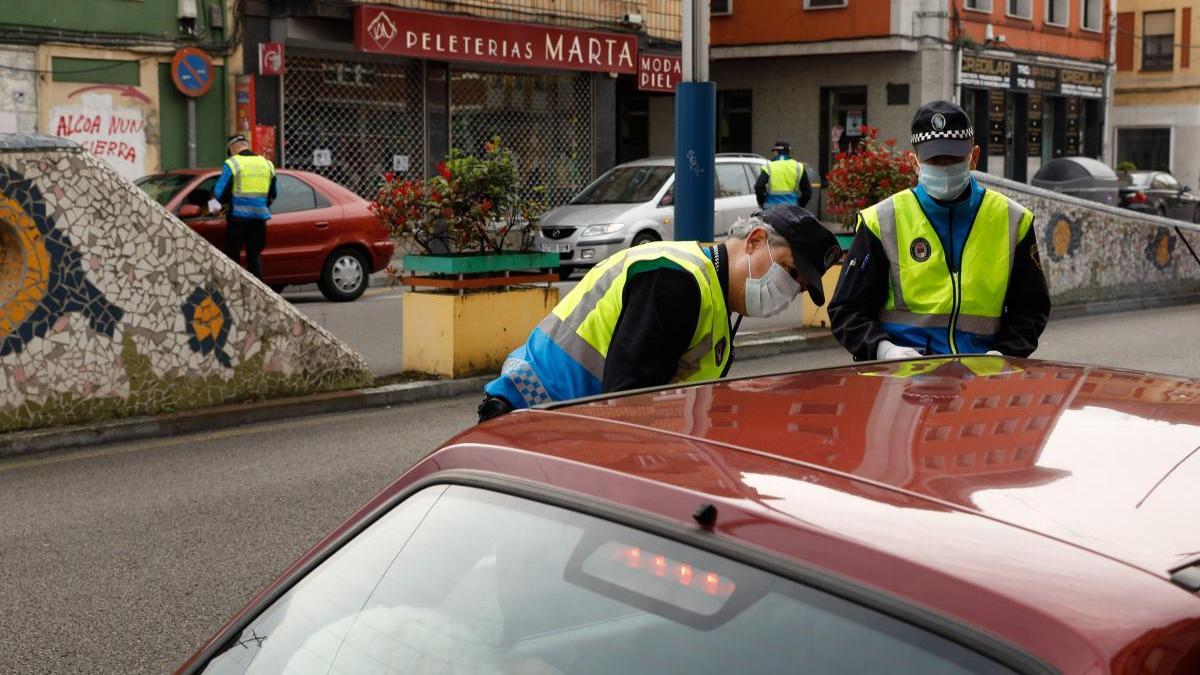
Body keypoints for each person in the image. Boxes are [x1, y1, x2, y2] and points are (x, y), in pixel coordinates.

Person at [478, 205, 842, 422]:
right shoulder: (676, 281)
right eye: (789, 271)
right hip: (532, 422)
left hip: (563, 428)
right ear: (755, 241)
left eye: (799, 286)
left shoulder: (713, 298)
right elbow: (628, 405)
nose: (789, 289)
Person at [828, 100, 1050, 361]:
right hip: (903, 380)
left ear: (974, 158)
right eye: (934, 159)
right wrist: (883, 350)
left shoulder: (1013, 220)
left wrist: (1004, 354)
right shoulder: (881, 221)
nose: (944, 165)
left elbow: (1032, 308)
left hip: (982, 380)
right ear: (915, 162)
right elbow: (846, 309)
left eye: (954, 158)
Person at [209, 134, 277, 279]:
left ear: (232, 148)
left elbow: (219, 192)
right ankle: (258, 295)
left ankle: (235, 294)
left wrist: (213, 209)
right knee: (254, 257)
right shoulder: (267, 164)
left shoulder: (233, 163)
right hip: (259, 220)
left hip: (238, 221)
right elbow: (273, 194)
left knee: (232, 258)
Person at [755, 140, 812, 208]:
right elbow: (807, 192)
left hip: (770, 210)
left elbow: (758, 186)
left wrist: (761, 202)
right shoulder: (798, 166)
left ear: (776, 152)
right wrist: (800, 204)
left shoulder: (769, 166)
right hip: (792, 209)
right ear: (788, 152)